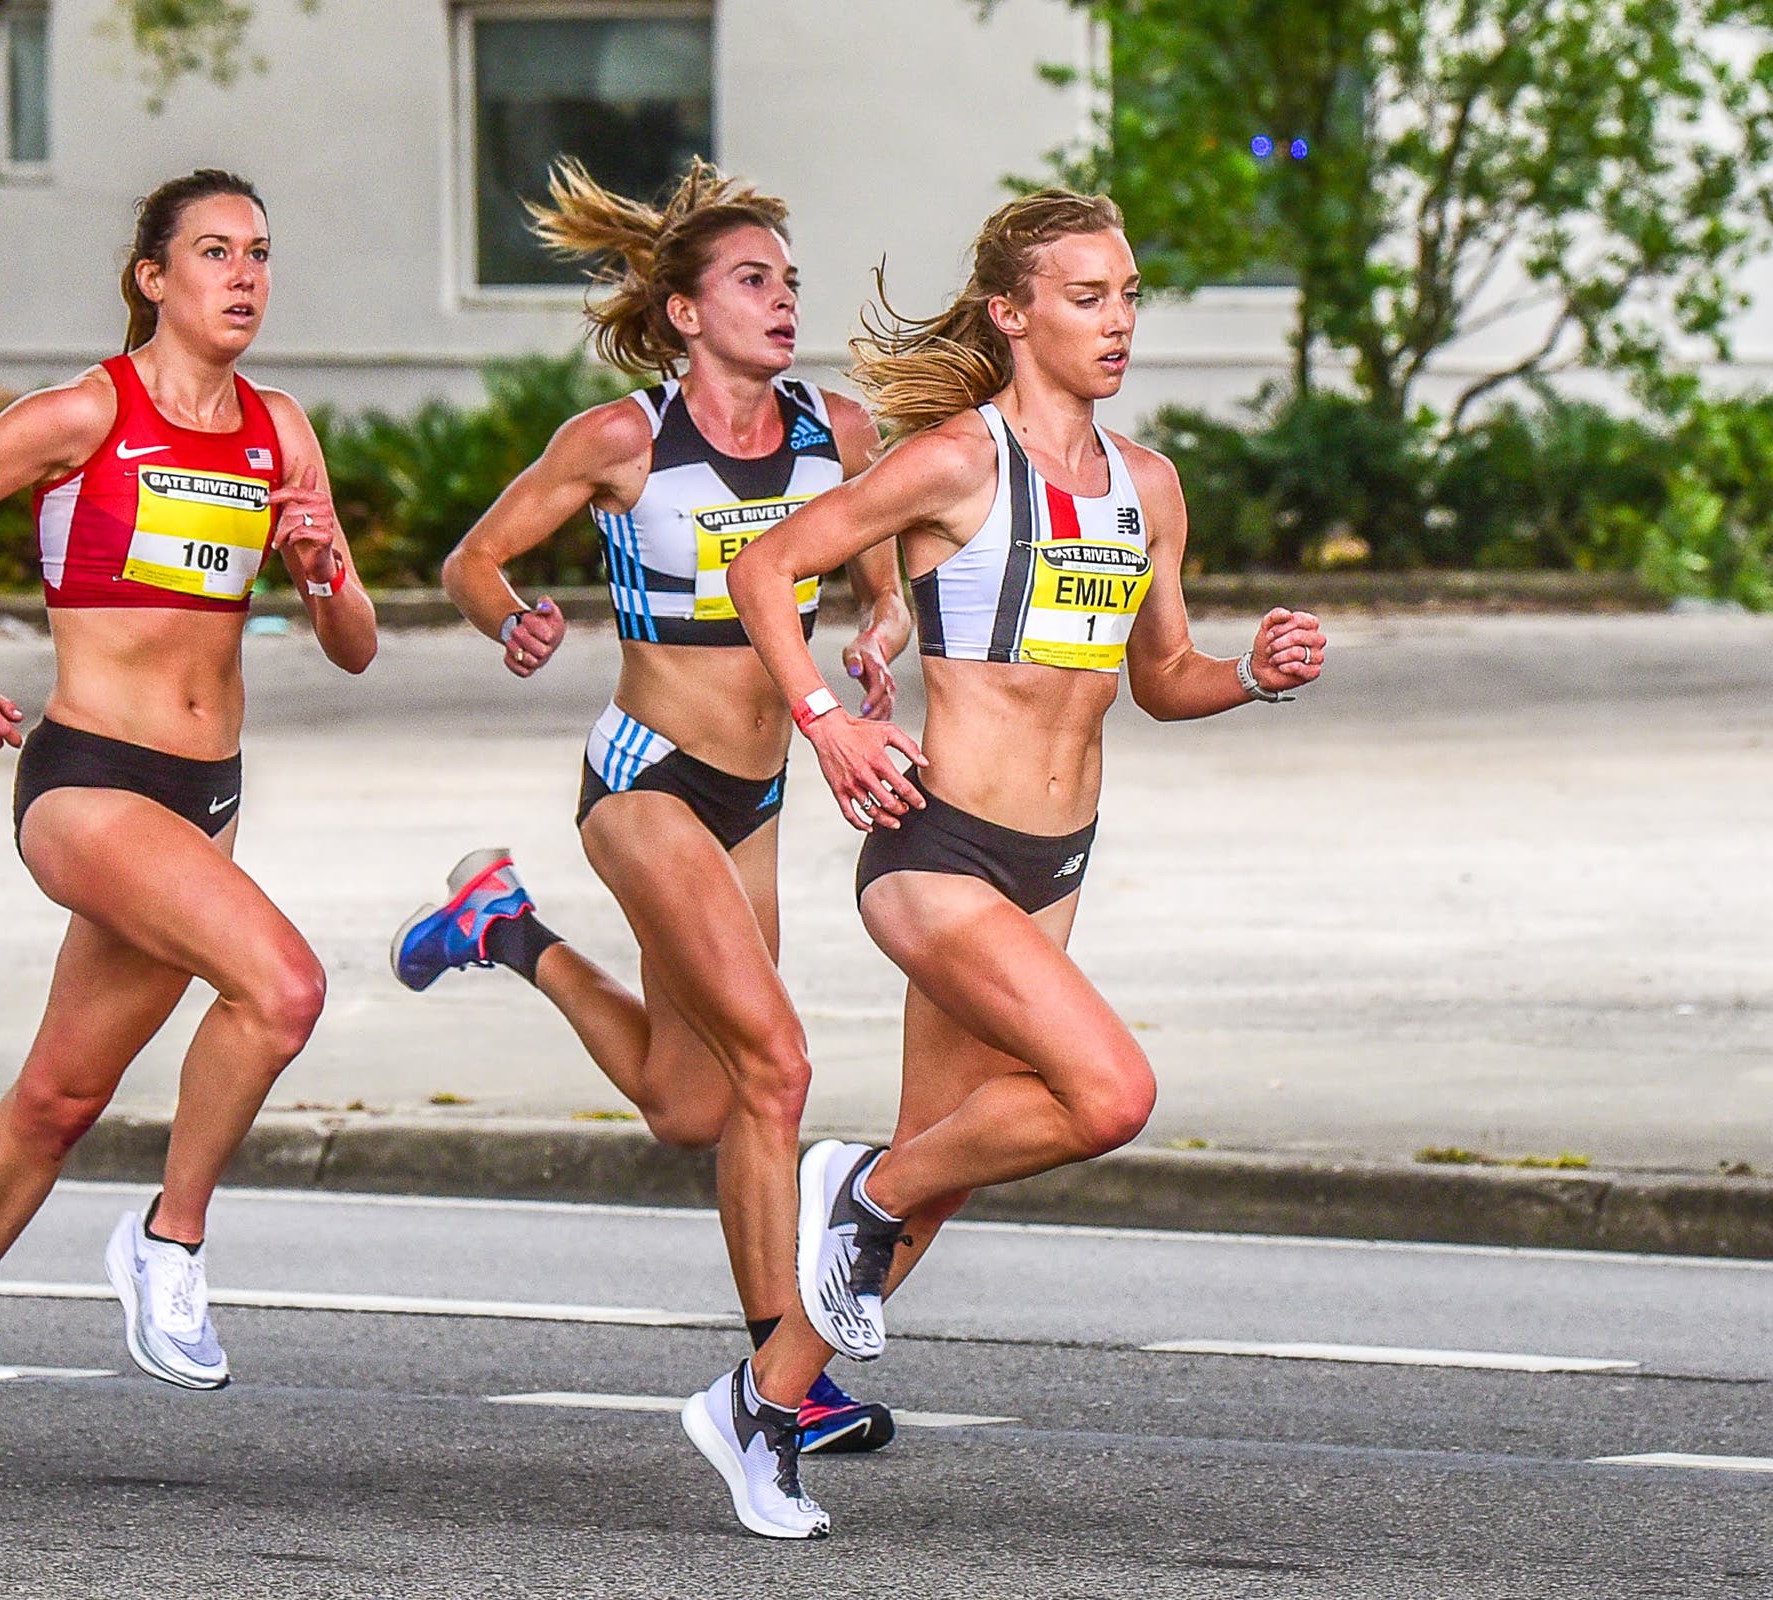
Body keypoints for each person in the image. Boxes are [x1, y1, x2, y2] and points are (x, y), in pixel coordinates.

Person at [683, 189, 1328, 1538]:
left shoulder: (1148, 486)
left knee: (950, 1163)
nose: (1119, 322)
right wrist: (829, 724)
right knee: (1106, 1094)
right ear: (1012, 314)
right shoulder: (957, 464)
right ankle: (849, 1185)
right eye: (1088, 297)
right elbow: (766, 575)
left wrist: (1251, 678)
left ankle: (759, 1406)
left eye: (1130, 295)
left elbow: (1161, 681)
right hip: (938, 848)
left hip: (1056, 860)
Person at [0, 169, 377, 1479]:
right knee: (286, 988)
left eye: (260, 252)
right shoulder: (91, 412)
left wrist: (320, 571)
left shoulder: (280, 432)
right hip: (87, 783)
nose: (245, 276)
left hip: (206, 798)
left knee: (61, 1095)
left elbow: (357, 647)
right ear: (153, 277)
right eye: (213, 252)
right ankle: (169, 1241)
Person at [388, 158, 914, 1454]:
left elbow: (882, 572)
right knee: (775, 1067)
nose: (782, 301)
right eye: (751, 281)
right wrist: (511, 616)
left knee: (694, 1103)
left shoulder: (838, 432)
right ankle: (779, 1385)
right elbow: (475, 558)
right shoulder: (626, 441)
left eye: (790, 282)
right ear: (685, 312)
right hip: (644, 783)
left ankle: (503, 926)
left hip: (756, 795)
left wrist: (882, 625)